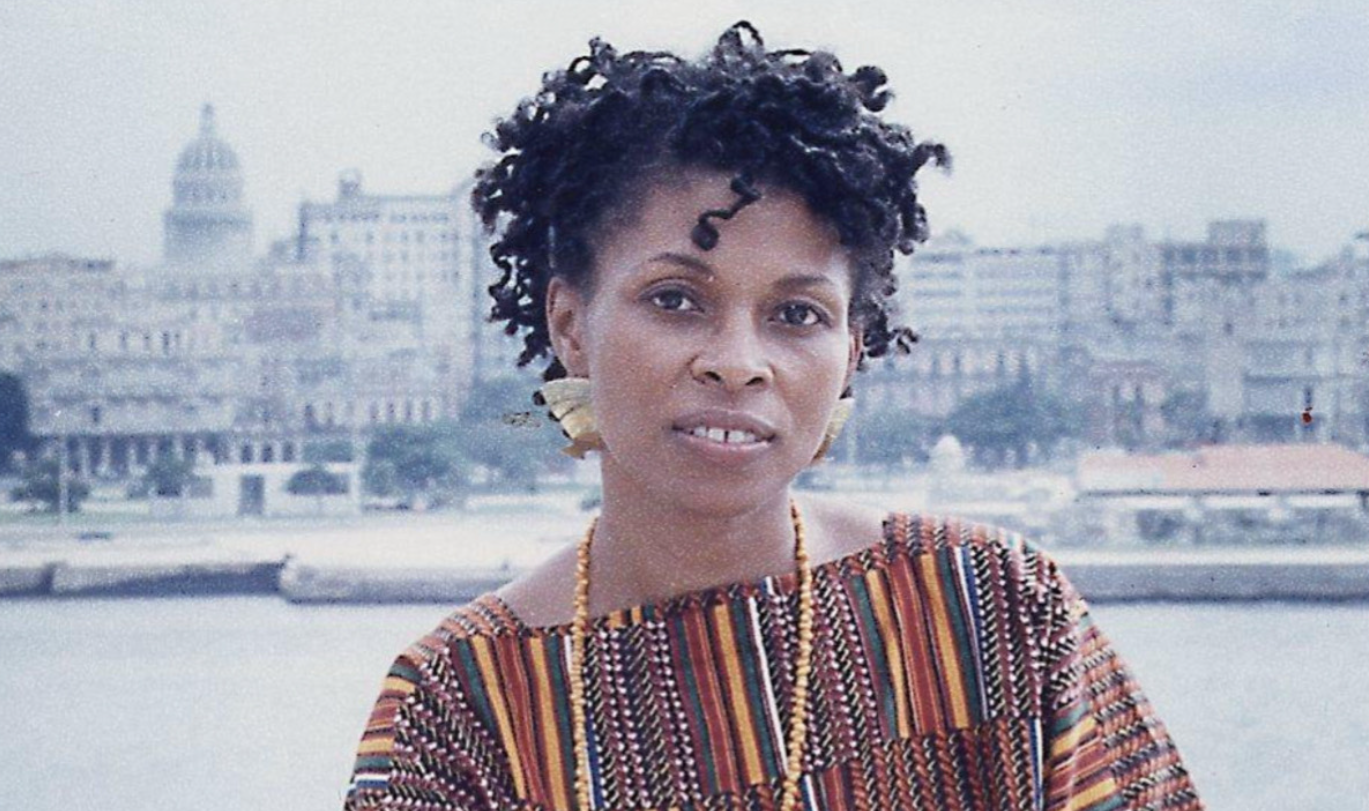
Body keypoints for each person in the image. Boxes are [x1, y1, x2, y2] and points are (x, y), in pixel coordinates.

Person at [343, 22, 1202, 811]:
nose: (738, 361)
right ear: (570, 325)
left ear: (850, 352)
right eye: (675, 298)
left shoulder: (990, 608)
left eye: (796, 314)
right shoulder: (466, 703)